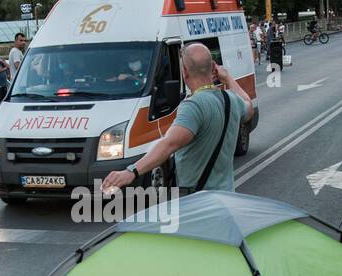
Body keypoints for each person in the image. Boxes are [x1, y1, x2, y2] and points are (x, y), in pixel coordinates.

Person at [101, 43, 253, 196]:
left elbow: (169, 144)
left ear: (185, 71)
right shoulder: (231, 99)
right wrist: (227, 77)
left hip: (200, 203)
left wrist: (131, 171)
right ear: (213, 67)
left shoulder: (193, 106)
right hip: (228, 197)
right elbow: (248, 105)